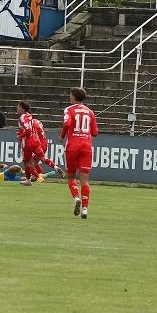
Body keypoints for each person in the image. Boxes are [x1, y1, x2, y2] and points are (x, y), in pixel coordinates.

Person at [60, 87, 99, 219]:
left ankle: (76, 197)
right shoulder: (90, 112)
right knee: (85, 180)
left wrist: (61, 136)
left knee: (71, 176)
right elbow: (95, 133)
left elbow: (67, 124)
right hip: (86, 147)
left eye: (70, 95)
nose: (69, 97)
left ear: (74, 97)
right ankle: (84, 209)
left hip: (72, 146)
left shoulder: (68, 110)